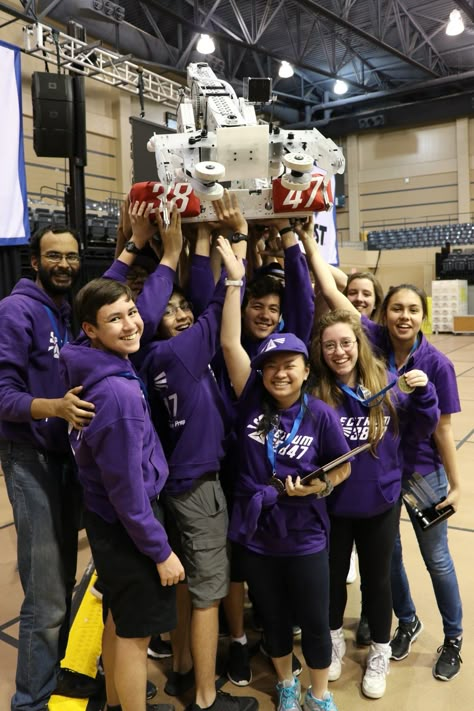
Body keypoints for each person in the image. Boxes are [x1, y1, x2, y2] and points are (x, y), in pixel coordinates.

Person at [299, 232, 464, 682]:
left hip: (420, 471)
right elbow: (335, 295)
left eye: (413, 309)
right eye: (396, 308)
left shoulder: (436, 364)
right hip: (377, 474)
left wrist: (457, 484)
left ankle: (453, 637)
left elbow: (442, 429)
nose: (404, 316)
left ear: (423, 315)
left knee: (437, 559)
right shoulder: (369, 342)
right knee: (385, 563)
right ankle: (404, 622)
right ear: (381, 315)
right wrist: (307, 246)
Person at [134, 191, 258, 711]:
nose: (182, 315)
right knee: (208, 592)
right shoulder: (179, 351)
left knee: (188, 585)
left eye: (183, 308)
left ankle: (184, 669)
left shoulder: (149, 356)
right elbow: (219, 307)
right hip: (199, 487)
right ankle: (208, 697)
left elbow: (202, 303)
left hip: (178, 481)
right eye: (170, 310)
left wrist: (201, 237)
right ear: (151, 321)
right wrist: (238, 247)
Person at [217, 235, 351, 711]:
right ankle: (287, 684)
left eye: (288, 364)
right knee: (272, 622)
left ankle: (319, 693)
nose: (278, 373)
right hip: (258, 536)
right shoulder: (249, 401)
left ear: (303, 368)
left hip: (307, 538)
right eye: (269, 365)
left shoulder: (321, 416)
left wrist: (319, 484)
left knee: (313, 622)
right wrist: (235, 278)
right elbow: (231, 340)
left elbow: (343, 468)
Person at [60, 277, 184, 711]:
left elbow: (99, 311)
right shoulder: (117, 395)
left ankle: (116, 705)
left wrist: (135, 251)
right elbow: (128, 493)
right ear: (91, 329)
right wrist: (160, 551)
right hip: (129, 526)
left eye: (132, 311)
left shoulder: (87, 360)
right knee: (135, 636)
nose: (132, 324)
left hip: (106, 520)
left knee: (119, 620)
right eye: (115, 319)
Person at [310, 308, 439, 698]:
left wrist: (424, 393)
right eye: (330, 345)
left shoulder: (388, 382)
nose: (339, 352)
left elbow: (420, 427)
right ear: (321, 349)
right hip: (332, 505)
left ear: (359, 344)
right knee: (331, 579)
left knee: (377, 581)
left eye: (346, 343)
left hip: (380, 503)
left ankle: (380, 652)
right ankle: (333, 642)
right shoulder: (316, 390)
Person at [0, 225, 100, 711]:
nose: (64, 264)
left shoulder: (66, 310)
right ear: (35, 262)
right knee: (45, 595)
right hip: (29, 458)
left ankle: (60, 682)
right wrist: (54, 408)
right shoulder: (16, 311)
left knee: (60, 584)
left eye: (72, 256)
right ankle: (31, 703)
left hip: (65, 462)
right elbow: (3, 396)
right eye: (53, 256)